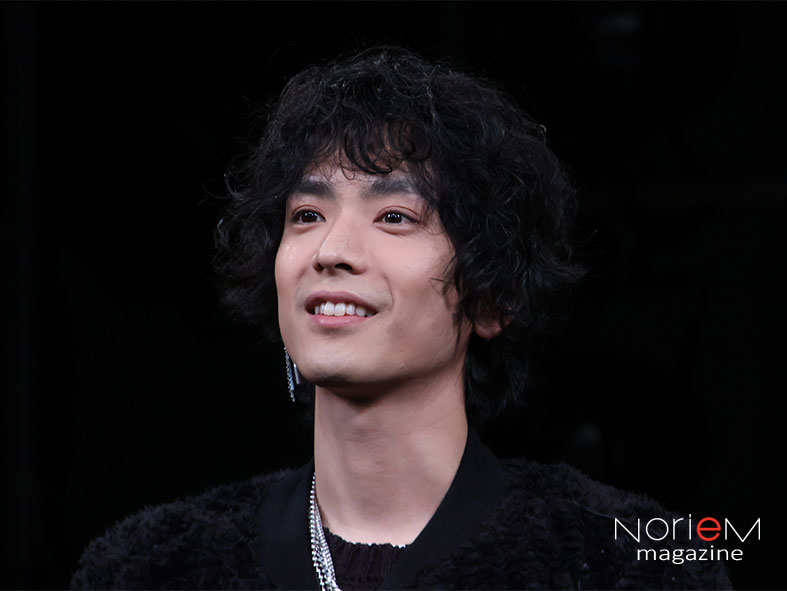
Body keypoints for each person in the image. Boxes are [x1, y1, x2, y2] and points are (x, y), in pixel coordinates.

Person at [71, 47, 732, 590]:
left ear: (491, 296)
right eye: (306, 215)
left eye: (394, 216)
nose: (331, 250)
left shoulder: (625, 564)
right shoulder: (150, 567)